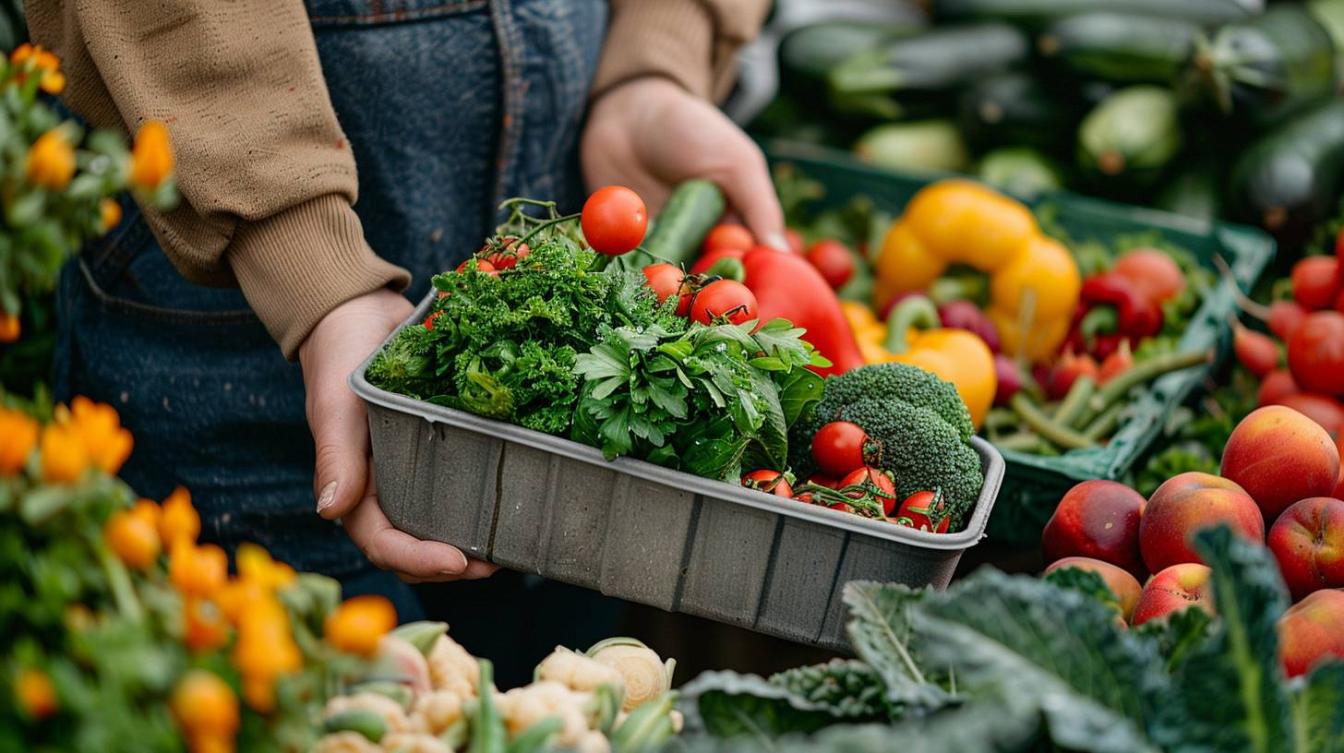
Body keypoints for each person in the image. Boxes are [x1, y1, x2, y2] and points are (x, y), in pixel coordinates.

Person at [30, 0, 783, 677]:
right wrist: (300, 254)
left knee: (553, 700)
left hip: (575, 179)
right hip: (231, 241)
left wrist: (657, 57)